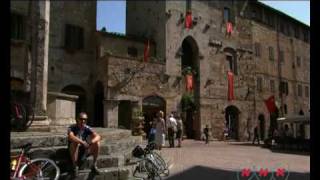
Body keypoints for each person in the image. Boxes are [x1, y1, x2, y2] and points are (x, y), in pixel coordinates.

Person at [67, 112, 102, 176]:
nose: (83, 121)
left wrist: (90, 142)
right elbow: (71, 136)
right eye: (81, 119)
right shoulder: (72, 127)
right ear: (77, 119)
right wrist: (82, 142)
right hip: (74, 151)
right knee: (75, 143)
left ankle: (94, 165)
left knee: (97, 143)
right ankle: (75, 167)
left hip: (84, 151)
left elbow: (98, 136)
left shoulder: (87, 128)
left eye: (85, 119)